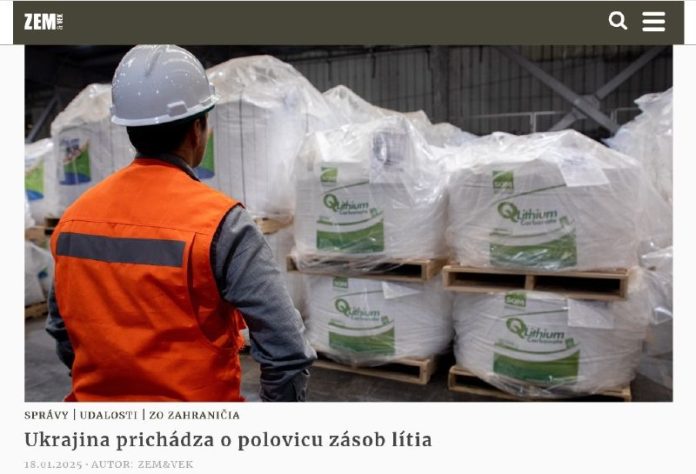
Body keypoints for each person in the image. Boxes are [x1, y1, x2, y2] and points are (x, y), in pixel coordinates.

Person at [45, 44, 315, 402]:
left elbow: (61, 329)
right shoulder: (223, 223)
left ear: (128, 128)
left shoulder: (74, 220)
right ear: (198, 129)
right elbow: (287, 351)